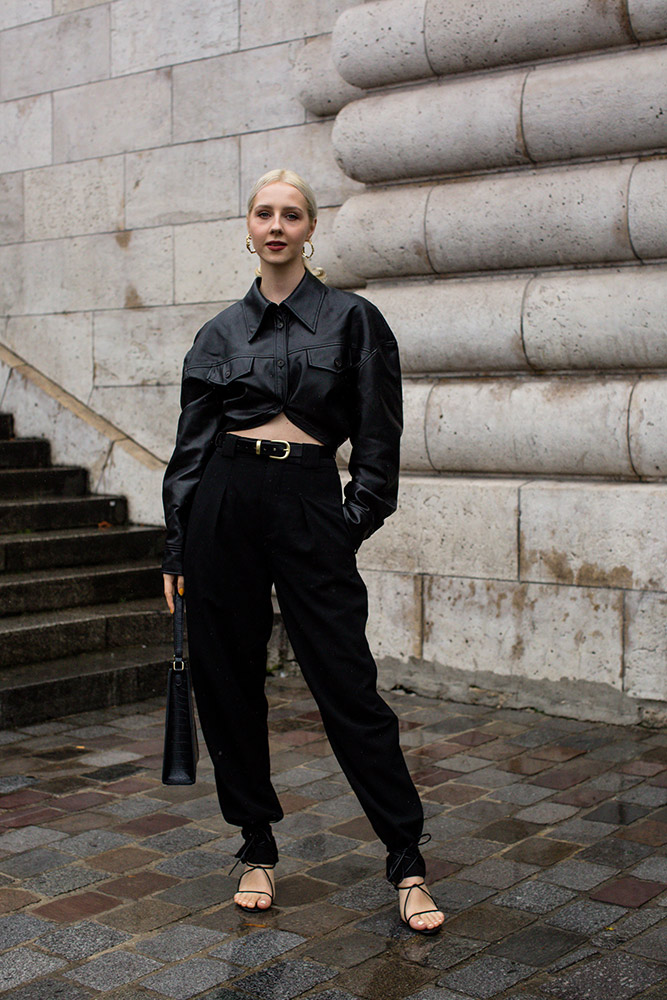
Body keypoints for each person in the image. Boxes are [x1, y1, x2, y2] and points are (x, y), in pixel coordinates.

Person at [161, 169, 444, 935]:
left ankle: (405, 859)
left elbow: (378, 438)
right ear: (247, 227)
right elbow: (189, 451)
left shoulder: (354, 320)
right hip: (222, 507)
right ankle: (255, 845)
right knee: (227, 684)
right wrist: (176, 552)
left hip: (310, 504)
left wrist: (350, 519)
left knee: (347, 686)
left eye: (291, 213)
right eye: (264, 212)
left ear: (310, 228)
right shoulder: (219, 332)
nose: (276, 224)